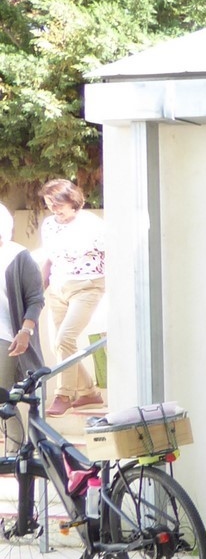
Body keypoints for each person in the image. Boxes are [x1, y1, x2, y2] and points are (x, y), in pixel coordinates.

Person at [36, 178, 105, 416]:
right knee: (60, 344)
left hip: (87, 286)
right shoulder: (49, 225)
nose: (54, 208)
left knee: (65, 338)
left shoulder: (91, 223)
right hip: (58, 289)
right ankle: (88, 392)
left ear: (72, 200)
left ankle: (63, 395)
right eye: (49, 203)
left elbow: (112, 254)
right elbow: (49, 258)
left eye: (58, 203)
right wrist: (39, 289)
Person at [0, 204, 45, 447]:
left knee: (3, 396)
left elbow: (36, 299)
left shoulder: (18, 256)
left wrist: (25, 331)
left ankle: (15, 450)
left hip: (7, 336)